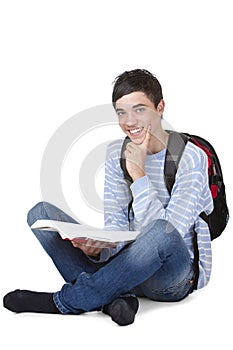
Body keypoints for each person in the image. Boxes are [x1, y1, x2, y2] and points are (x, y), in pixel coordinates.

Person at [3, 69, 213, 326]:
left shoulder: (190, 157)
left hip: (171, 278)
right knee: (39, 213)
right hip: (128, 268)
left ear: (160, 107)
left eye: (139, 109)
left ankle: (69, 300)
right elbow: (117, 226)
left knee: (161, 230)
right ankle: (119, 299)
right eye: (121, 112)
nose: (129, 121)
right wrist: (97, 250)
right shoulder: (116, 153)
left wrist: (139, 176)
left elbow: (172, 235)